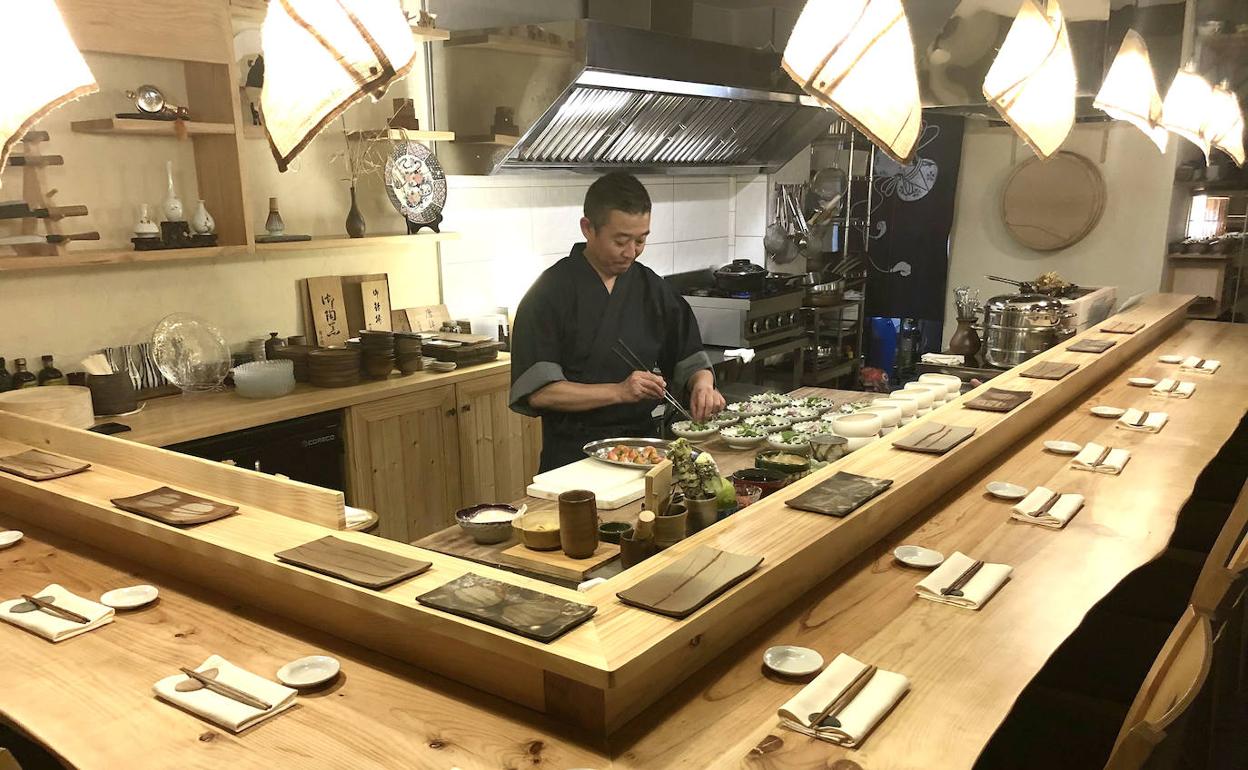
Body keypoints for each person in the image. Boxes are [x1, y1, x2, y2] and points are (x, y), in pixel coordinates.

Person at [509, 172, 726, 472]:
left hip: (645, 453)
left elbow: (688, 355)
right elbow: (540, 391)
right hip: (573, 456)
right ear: (588, 228)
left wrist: (703, 385)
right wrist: (620, 391)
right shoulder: (549, 293)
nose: (631, 252)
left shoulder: (651, 288)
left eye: (641, 240)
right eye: (620, 241)